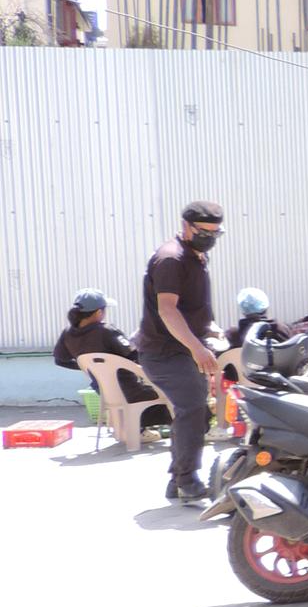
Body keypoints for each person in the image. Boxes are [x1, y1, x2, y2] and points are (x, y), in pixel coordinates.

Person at [136, 201, 227, 503]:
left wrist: (209, 329)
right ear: (186, 226)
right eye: (203, 232)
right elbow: (168, 310)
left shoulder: (196, 256)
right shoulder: (171, 259)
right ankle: (187, 481)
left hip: (184, 348)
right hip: (164, 352)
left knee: (197, 410)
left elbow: (192, 305)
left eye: (215, 233)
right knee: (192, 408)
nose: (209, 238)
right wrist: (197, 348)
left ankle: (177, 480)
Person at [53, 289, 169, 426]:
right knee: (172, 395)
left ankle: (133, 429)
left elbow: (60, 360)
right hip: (132, 391)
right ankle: (146, 429)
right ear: (98, 312)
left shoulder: (67, 333)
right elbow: (134, 356)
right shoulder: (106, 330)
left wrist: (89, 368)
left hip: (104, 392)